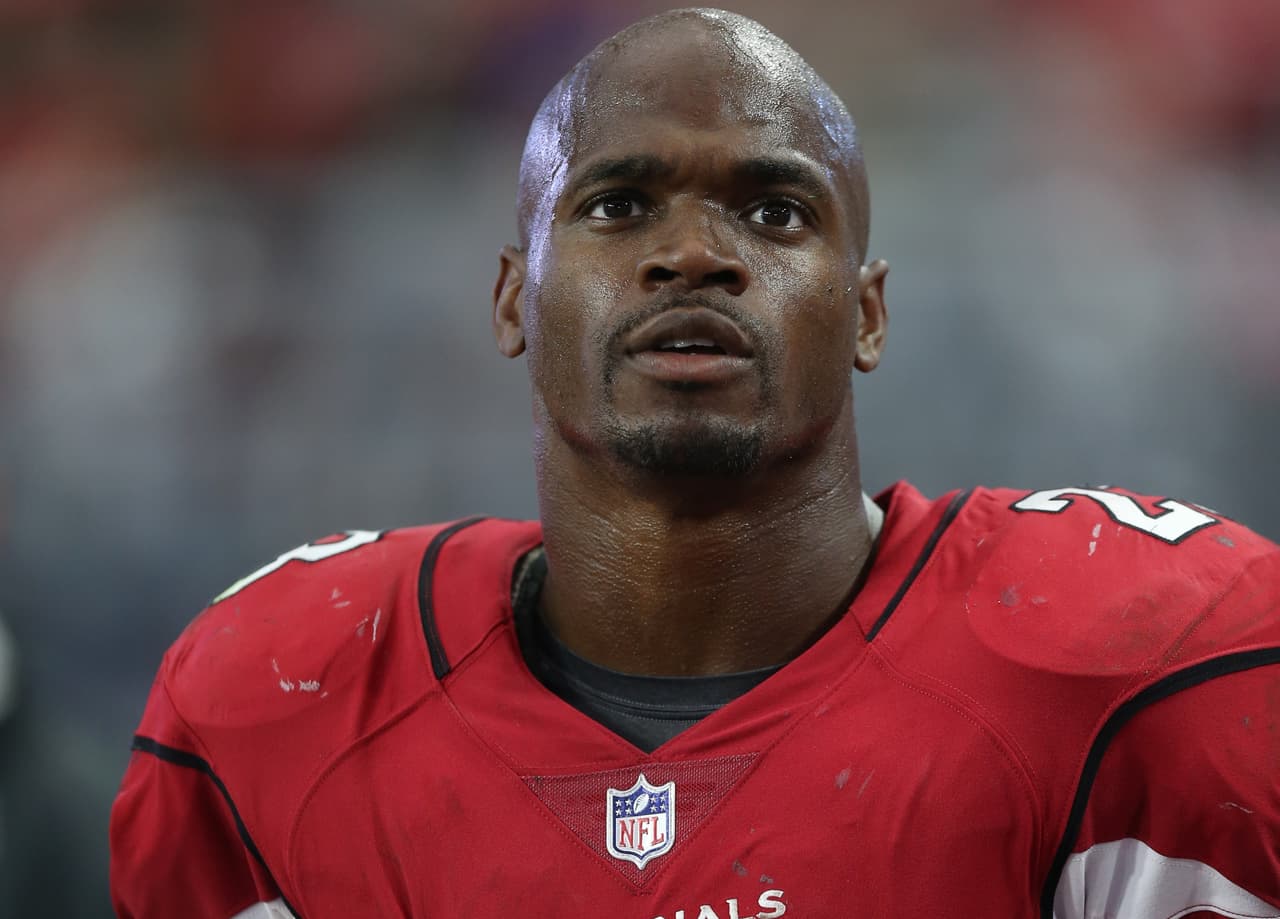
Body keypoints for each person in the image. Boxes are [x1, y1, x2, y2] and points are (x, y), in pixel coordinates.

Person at [109, 9, 1280, 918]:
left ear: (867, 314)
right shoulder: (284, 703)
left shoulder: (1133, 679)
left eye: (773, 213)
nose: (689, 255)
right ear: (515, 295)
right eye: (617, 206)